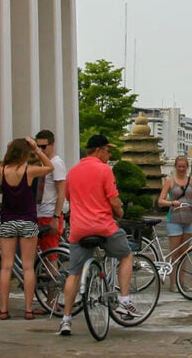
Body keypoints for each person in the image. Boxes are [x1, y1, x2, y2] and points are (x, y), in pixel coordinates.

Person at [59, 134, 141, 336]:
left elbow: (69, 197)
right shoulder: (105, 170)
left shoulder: (72, 172)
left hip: (79, 229)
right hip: (103, 227)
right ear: (98, 150)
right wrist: (120, 212)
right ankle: (124, 300)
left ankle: (66, 319)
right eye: (107, 150)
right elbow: (114, 201)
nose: (109, 154)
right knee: (126, 255)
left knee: (74, 272)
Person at [0, 137, 54, 320]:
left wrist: (8, 148)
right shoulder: (29, 171)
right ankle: (28, 309)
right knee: (28, 267)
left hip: (7, 221)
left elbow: (3, 163)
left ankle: (3, 310)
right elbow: (50, 167)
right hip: (28, 221)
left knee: (6, 267)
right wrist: (36, 149)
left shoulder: (1, 170)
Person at [157, 155, 192, 292]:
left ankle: (181, 282)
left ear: (187, 167)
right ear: (175, 166)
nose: (181, 169)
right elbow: (160, 201)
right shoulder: (169, 181)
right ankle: (173, 283)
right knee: (175, 253)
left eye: (184, 166)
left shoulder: (191, 180)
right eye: (179, 166)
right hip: (174, 220)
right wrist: (171, 203)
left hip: (188, 220)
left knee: (184, 253)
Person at [31, 129, 67, 315]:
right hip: (37, 213)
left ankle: (52, 300)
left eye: (43, 146)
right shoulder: (40, 163)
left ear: (52, 145)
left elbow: (61, 192)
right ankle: (48, 298)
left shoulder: (56, 163)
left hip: (49, 213)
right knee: (40, 257)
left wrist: (56, 216)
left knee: (50, 257)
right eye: (38, 146)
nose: (41, 150)